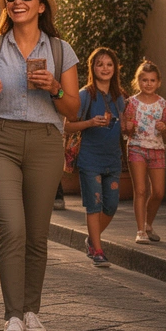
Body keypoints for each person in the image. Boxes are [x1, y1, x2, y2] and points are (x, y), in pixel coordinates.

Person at [0, 0, 79, 331]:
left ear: (40, 5)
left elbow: (72, 107)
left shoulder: (61, 50)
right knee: (12, 227)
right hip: (0, 138)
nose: (17, 0)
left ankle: (32, 309)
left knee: (37, 232)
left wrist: (54, 87)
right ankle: (13, 316)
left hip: (47, 142)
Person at [65, 47, 125, 267]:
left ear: (115, 68)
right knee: (95, 205)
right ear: (93, 68)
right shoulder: (85, 94)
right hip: (90, 159)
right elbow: (68, 126)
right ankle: (97, 250)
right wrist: (90, 122)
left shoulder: (119, 97)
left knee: (111, 206)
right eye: (100, 64)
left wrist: (130, 127)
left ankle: (92, 240)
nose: (105, 68)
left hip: (112, 159)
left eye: (109, 64)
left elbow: (124, 125)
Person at [123, 60, 166, 245]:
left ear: (158, 82)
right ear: (138, 81)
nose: (148, 84)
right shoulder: (131, 103)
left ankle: (148, 224)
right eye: (144, 80)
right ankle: (140, 230)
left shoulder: (164, 106)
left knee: (158, 192)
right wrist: (128, 127)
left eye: (152, 80)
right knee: (141, 190)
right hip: (136, 148)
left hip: (157, 149)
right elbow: (126, 131)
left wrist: (164, 128)